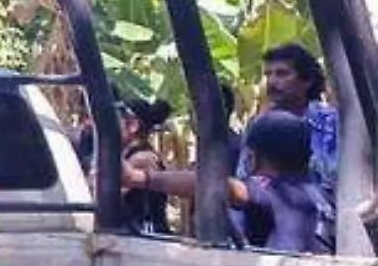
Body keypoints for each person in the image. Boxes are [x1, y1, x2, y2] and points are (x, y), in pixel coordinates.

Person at [127, 109, 331, 254]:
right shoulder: (320, 194)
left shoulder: (273, 191)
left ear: (252, 156)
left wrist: (138, 178)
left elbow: (220, 187)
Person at [237, 43, 337, 245]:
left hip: (325, 231)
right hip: (269, 229)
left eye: (282, 74)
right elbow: (245, 175)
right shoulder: (258, 125)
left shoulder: (332, 124)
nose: (272, 81)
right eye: (269, 74)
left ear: (307, 80)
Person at [116, 98, 172, 235]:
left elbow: (105, 197)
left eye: (117, 119)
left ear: (133, 125)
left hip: (147, 237)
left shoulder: (142, 159)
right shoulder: (132, 155)